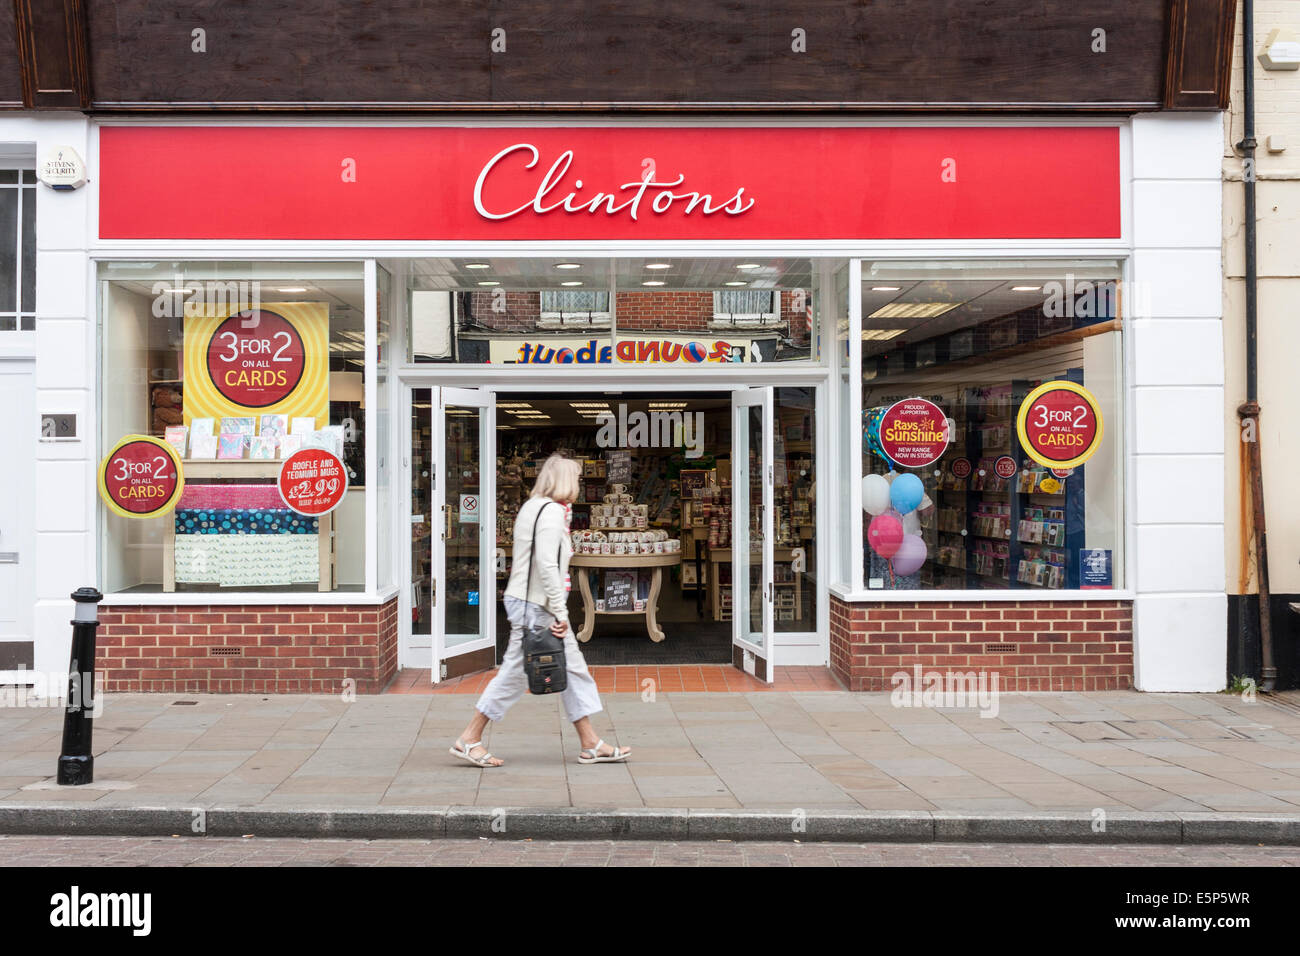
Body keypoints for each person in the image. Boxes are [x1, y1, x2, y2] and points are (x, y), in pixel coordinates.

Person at [450, 453, 631, 768]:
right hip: (537, 605)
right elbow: (547, 566)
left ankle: (591, 743)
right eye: (575, 479)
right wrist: (561, 613)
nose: (578, 484)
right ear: (564, 481)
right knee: (516, 671)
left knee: (572, 669)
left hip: (529, 600)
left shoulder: (532, 506)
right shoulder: (550, 514)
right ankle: (469, 737)